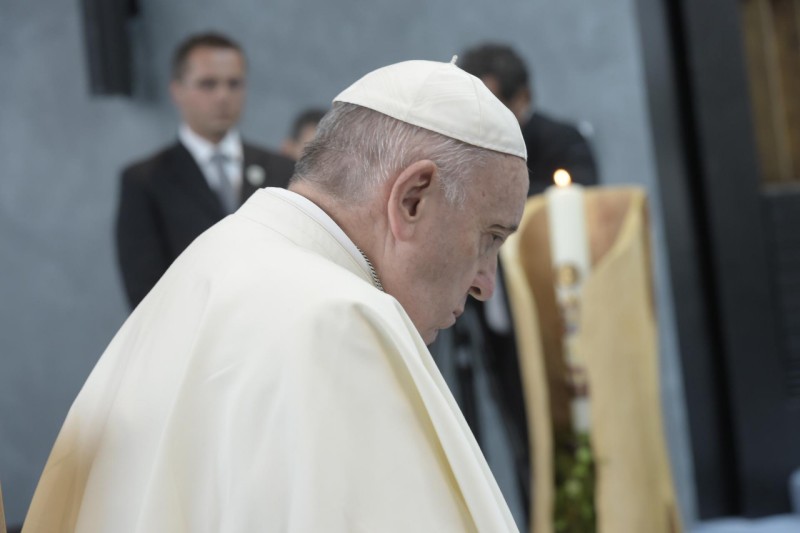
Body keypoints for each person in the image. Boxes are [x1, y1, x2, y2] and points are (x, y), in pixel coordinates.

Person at [23, 59, 530, 532]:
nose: (485, 283)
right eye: (490, 238)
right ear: (413, 198)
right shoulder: (338, 323)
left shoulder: (216, 257)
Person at [115, 32, 295, 309]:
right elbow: (145, 290)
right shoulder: (145, 180)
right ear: (177, 91)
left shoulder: (283, 169)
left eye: (234, 84)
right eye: (207, 84)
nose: (223, 96)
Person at [460, 43, 599, 195]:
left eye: (491, 106)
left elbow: (584, 196)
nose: (481, 118)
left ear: (523, 98)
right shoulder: (459, 147)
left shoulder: (565, 142)